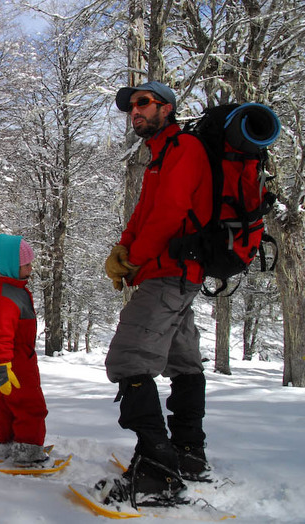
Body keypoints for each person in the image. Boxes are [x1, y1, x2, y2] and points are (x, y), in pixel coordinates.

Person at [99, 81, 213, 506]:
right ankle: (189, 454)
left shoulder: (184, 149)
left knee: (129, 358)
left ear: (167, 108)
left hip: (171, 272)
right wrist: (123, 248)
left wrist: (135, 259)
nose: (135, 111)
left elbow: (169, 213)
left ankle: (157, 473)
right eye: (131, 107)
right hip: (166, 272)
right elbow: (145, 212)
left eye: (143, 103)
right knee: (183, 360)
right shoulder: (158, 158)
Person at [0, 234, 48, 466]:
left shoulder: (6, 287)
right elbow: (4, 334)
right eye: (26, 264)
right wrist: (4, 367)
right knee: (29, 403)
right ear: (12, 266)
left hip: (9, 356)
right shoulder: (7, 296)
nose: (30, 268)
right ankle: (28, 451)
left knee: (6, 402)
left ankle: (9, 443)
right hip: (13, 358)